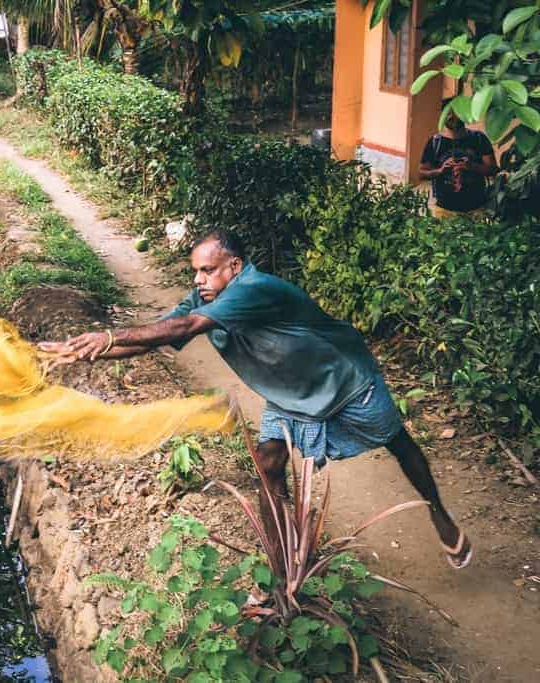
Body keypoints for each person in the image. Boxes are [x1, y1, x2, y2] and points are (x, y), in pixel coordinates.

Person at [40, 230, 472, 569]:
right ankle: (283, 562)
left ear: (235, 266)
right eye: (196, 271)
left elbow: (182, 329)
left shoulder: (254, 288)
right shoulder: (205, 297)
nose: (198, 279)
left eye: (208, 271)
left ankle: (439, 512)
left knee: (397, 442)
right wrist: (87, 348)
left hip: (344, 381)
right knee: (268, 464)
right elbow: (155, 336)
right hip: (288, 394)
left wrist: (110, 334)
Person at [419, 99, 497, 219]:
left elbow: (493, 170)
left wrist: (473, 166)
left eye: (456, 112)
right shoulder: (434, 142)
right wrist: (440, 171)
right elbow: (421, 173)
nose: (452, 116)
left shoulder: (479, 139)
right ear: (442, 116)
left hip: (477, 208)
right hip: (444, 210)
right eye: (448, 113)